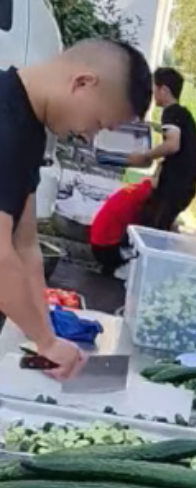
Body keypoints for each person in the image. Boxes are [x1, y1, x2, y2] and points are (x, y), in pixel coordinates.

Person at [0, 39, 152, 378]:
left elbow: (25, 246)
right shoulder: (4, 120)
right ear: (82, 82)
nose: (88, 137)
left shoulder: (29, 127)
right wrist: (45, 340)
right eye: (97, 123)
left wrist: (45, 334)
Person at [127, 67, 196, 231]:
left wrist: (145, 156)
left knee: (153, 228)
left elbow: (173, 144)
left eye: (155, 90)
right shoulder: (183, 115)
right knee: (151, 219)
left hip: (175, 188)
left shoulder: (171, 112)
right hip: (182, 186)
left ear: (164, 90)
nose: (153, 94)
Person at [89, 178, 154, 277]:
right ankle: (116, 272)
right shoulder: (144, 199)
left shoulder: (138, 189)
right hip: (107, 248)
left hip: (98, 243)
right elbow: (142, 231)